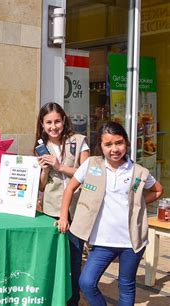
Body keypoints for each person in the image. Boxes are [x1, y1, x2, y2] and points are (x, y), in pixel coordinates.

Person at [57, 122, 163, 305]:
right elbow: (70, 188)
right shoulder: (91, 164)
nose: (115, 149)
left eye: (119, 143)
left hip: (131, 242)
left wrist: (138, 204)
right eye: (108, 144)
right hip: (102, 241)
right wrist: (64, 216)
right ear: (101, 146)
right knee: (87, 282)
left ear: (127, 143)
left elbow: (158, 190)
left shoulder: (138, 171)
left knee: (126, 285)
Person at [34, 102, 90, 306]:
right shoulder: (40, 147)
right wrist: (46, 170)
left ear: (64, 120)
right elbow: (41, 187)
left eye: (57, 121)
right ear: (42, 123)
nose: (53, 126)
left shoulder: (79, 141)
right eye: (48, 122)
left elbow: (88, 174)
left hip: (77, 208)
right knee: (55, 259)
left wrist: (59, 166)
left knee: (75, 259)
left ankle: (72, 300)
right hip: (52, 210)